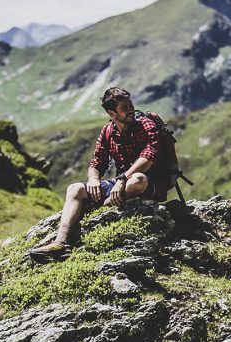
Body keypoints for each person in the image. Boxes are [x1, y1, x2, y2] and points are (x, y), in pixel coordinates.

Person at [29, 86, 169, 260]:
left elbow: (150, 155)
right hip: (120, 182)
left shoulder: (145, 124)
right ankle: (61, 243)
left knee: (137, 180)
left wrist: (123, 179)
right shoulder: (108, 131)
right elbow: (97, 161)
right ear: (112, 113)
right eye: (124, 108)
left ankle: (100, 209)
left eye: (131, 104)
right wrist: (94, 179)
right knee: (74, 189)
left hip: (151, 183)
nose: (131, 110)